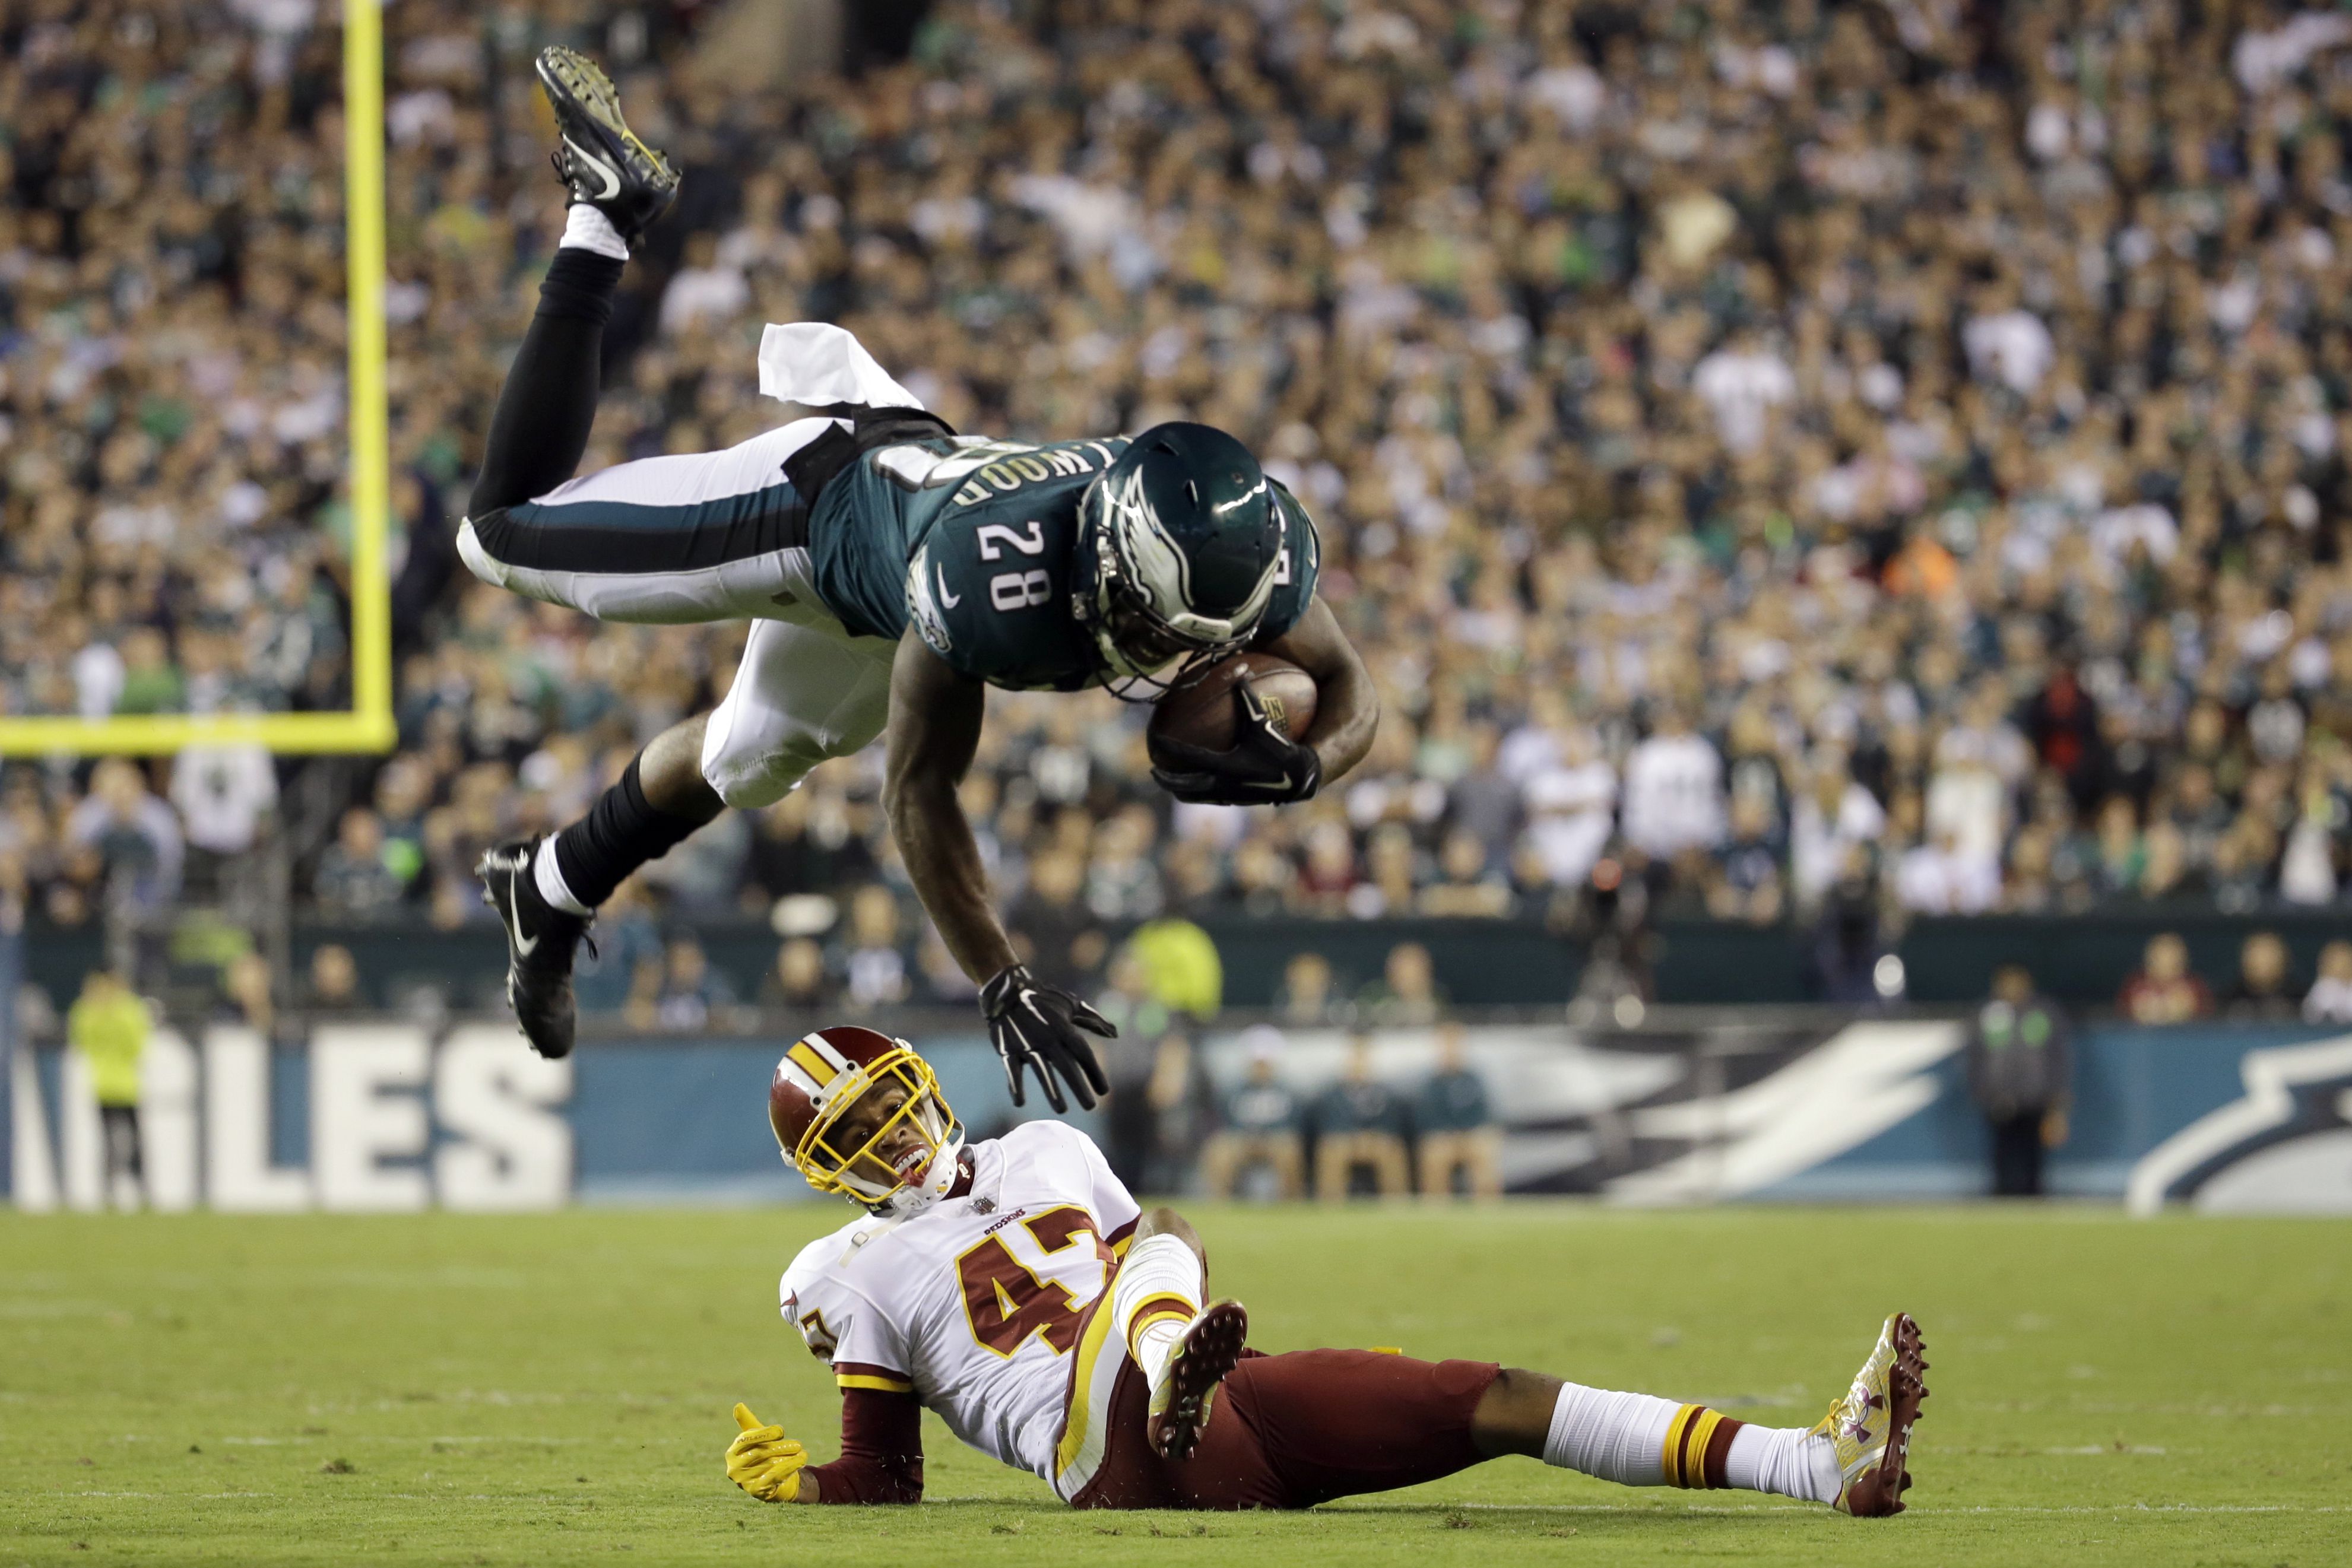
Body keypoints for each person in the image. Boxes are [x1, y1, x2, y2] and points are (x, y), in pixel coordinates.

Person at [464, 52, 1377, 1118]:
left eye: (1194, 639)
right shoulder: (994, 578)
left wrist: (1310, 769)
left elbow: (1353, 684)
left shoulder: (1245, 544)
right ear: (1113, 558)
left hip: (898, 571)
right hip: (817, 512)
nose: (1168, 657)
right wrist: (1000, 973)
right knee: (498, 536)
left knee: (749, 756)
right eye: (1146, 620)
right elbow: (918, 790)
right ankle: (605, 220)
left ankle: (549, 890)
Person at [726, 1024, 1928, 1515]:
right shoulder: (853, 1269)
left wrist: (1183, 1350)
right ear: (828, 1167)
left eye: (893, 1100)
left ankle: (1818, 1466)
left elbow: (1155, 1248)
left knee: (1495, 1395)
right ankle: (1161, 1366)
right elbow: (887, 1475)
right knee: (1165, 1242)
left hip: (1223, 1401)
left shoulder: (1047, 1144)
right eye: (859, 1130)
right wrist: (815, 1489)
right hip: (1096, 1449)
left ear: (922, 1082)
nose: (892, 1131)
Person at [1963, 966, 2072, 1199]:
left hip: (2035, 1100)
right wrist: (1983, 1093)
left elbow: (2058, 1059)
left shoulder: (2044, 1013)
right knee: (2002, 1157)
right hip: (1998, 1101)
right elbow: (1975, 1057)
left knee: (2033, 1159)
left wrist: (2057, 1105)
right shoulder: (1988, 1014)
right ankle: (2002, 1200)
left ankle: (2033, 1201)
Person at [68, 969, 149, 1209]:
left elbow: (136, 1043)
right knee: (116, 1141)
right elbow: (82, 1039)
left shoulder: (123, 1008)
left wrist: (107, 1013)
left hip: (123, 1086)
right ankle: (111, 1190)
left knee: (129, 1141)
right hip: (109, 1085)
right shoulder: (93, 1009)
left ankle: (138, 1188)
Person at [1199, 1028, 1307, 1201]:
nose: (1260, 1069)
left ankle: (1292, 1202)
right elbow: (1225, 1123)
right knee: (1220, 1150)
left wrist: (1267, 1137)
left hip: (1275, 1140)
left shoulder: (1288, 1092)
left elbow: (1293, 1125)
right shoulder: (1232, 1090)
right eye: (1257, 1063)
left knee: (1289, 1149)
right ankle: (1218, 1202)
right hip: (1242, 1139)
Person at [1313, 1035, 1410, 1201]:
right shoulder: (1331, 1095)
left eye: (1363, 1058)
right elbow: (1328, 1126)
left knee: (1391, 1150)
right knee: (1332, 1151)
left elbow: (1392, 1126)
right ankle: (1331, 1205)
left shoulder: (1386, 1094)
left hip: (1376, 1143)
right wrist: (1353, 1139)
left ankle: (1396, 1204)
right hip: (1343, 1143)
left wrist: (1371, 1138)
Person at [1415, 1024, 1502, 1200]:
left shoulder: (1474, 1080)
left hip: (1471, 1138)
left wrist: (1468, 1135)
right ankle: (1436, 1211)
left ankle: (1489, 1211)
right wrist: (1450, 1136)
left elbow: (1484, 1115)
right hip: (1443, 1139)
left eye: (1454, 1044)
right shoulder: (1431, 1084)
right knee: (1436, 1153)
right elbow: (1427, 1119)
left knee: (1484, 1149)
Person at [2116, 932, 2212, 1024]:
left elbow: (2211, 1019)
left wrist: (2189, 1011)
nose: (2166, 962)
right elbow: (2119, 1016)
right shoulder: (2134, 984)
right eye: (2160, 956)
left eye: (2172, 957)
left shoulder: (2195, 986)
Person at [2223, 931, 2299, 1020]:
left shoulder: (2298, 998)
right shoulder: (2229, 1000)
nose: (2263, 962)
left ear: (2284, 960)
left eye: (2270, 955)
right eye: (2257, 955)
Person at [2303, 939, 2352, 1024]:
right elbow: (2313, 1015)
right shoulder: (2323, 986)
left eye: (2346, 961)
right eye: (2337, 962)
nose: (2342, 967)